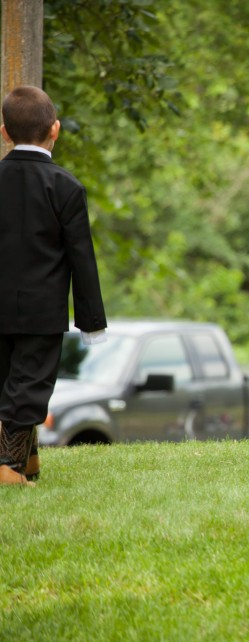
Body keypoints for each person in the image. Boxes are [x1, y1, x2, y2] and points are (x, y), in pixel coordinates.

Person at [0, 86, 107, 486]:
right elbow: (82, 258)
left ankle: (27, 462)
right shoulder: (66, 187)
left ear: (4, 132)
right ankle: (8, 469)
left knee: (7, 382)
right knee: (28, 386)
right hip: (42, 313)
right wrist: (91, 320)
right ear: (56, 130)